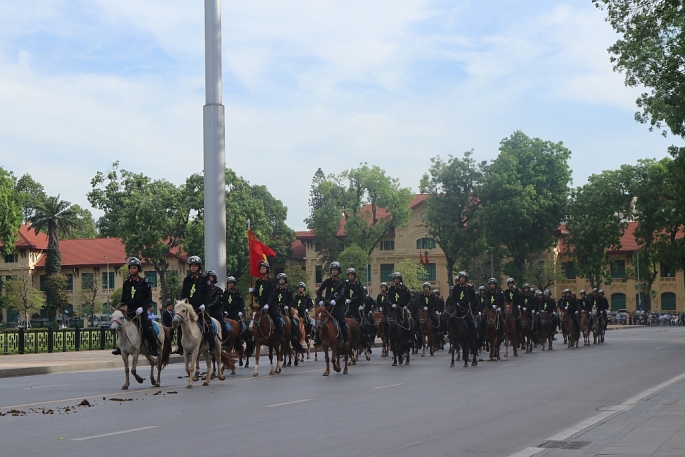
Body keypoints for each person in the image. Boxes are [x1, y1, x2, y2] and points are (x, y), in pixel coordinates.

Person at [112, 257, 159, 357]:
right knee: (120, 325)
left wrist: (142, 307)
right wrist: (120, 306)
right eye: (131, 268)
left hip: (141, 311)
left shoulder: (144, 282)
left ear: (138, 269)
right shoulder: (126, 283)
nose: (132, 270)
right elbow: (124, 298)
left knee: (148, 327)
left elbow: (148, 298)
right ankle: (120, 347)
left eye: (134, 268)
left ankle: (154, 348)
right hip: (129, 311)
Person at [316, 262, 348, 345]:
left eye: (336, 270)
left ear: (339, 271)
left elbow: (342, 294)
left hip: (338, 306)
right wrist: (320, 300)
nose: (334, 272)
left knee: (342, 321)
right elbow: (319, 291)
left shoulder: (342, 282)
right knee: (319, 320)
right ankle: (317, 339)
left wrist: (336, 301)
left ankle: (346, 339)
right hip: (328, 306)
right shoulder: (327, 281)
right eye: (333, 270)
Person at [449, 272, 478, 343]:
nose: (461, 279)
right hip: (457, 308)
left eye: (463, 278)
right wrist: (455, 303)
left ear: (465, 279)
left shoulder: (470, 288)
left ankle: (474, 334)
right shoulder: (455, 288)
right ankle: (449, 332)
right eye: (460, 278)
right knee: (449, 318)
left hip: (466, 308)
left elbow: (474, 299)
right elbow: (452, 298)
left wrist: (470, 303)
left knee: (470, 321)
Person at [268, 272, 293, 343]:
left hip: (286, 308)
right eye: (280, 280)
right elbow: (273, 298)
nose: (281, 281)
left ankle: (293, 334)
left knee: (291, 319)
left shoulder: (289, 290)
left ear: (285, 280)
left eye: (283, 279)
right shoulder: (276, 290)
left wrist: (288, 306)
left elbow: (292, 300)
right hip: (277, 307)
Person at [204, 270, 223, 353]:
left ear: (214, 279)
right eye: (208, 278)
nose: (209, 279)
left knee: (223, 325)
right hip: (204, 310)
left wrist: (208, 306)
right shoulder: (203, 289)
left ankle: (225, 342)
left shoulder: (218, 290)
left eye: (211, 277)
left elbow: (216, 301)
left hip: (215, 311)